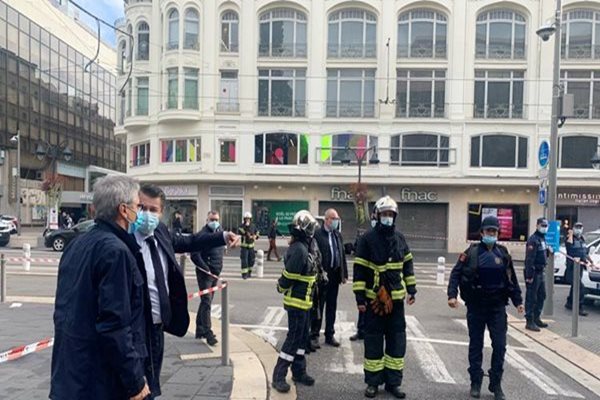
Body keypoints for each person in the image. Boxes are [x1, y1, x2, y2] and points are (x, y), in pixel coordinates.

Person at [135, 184, 240, 398]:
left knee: (152, 384)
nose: (146, 214)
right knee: (134, 385)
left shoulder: (160, 231)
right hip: (135, 328)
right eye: (141, 207)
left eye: (153, 210)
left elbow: (189, 241)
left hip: (157, 326)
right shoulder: (124, 239)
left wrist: (222, 236)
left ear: (161, 213)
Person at [50, 175, 150, 400]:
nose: (141, 213)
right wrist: (135, 381)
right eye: (138, 206)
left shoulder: (77, 244)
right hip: (100, 380)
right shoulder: (115, 252)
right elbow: (115, 324)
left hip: (71, 373)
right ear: (124, 210)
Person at [447, 216, 524, 400]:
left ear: (498, 234)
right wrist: (452, 295)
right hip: (476, 306)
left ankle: (495, 383)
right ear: (481, 233)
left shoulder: (503, 254)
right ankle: (475, 382)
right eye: (488, 231)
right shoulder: (471, 252)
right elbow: (456, 273)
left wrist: (518, 301)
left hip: (497, 307)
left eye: (494, 232)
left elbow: (511, 279)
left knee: (500, 345)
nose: (491, 234)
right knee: (476, 345)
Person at [353, 196, 416, 399]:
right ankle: (372, 383)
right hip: (374, 301)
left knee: (397, 342)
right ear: (377, 216)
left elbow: (407, 265)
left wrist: (412, 289)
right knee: (373, 342)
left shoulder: (400, 238)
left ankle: (393, 383)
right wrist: (360, 299)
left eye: (391, 214)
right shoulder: (367, 239)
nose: (388, 217)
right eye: (384, 214)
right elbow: (360, 270)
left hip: (396, 302)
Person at [272, 210, 319, 393]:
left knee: (301, 340)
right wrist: (281, 286)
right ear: (305, 229)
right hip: (297, 304)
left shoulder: (304, 246)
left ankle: (299, 372)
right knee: (293, 340)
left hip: (305, 303)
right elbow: (289, 277)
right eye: (311, 227)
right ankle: (279, 376)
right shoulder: (299, 249)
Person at [310, 208, 348, 349]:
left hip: (334, 276)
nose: (336, 221)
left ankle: (329, 334)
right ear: (326, 219)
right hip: (321, 277)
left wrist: (344, 274)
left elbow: (341, 255)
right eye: (334, 218)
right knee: (319, 306)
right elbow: (314, 254)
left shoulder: (337, 235)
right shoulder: (318, 235)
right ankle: (314, 335)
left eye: (337, 218)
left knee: (332, 306)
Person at [191, 211, 225, 346]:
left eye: (216, 219)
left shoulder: (220, 232)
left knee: (207, 301)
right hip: (205, 273)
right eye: (212, 219)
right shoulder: (202, 235)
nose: (214, 221)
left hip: (215, 273)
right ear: (207, 220)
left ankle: (200, 328)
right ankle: (208, 332)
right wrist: (206, 268)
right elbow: (194, 254)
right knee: (206, 301)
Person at [350, 209, 378, 342]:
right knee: (363, 308)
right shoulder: (367, 237)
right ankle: (361, 330)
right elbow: (359, 264)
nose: (373, 220)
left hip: (379, 283)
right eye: (372, 217)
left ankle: (371, 332)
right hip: (367, 280)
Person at [524, 217, 551, 332]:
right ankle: (529, 321)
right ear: (537, 225)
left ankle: (536, 318)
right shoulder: (533, 240)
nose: (544, 228)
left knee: (541, 296)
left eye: (546, 226)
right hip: (534, 272)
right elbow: (529, 260)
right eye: (542, 225)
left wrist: (549, 251)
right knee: (532, 297)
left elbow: (544, 255)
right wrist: (529, 276)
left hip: (541, 271)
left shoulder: (543, 239)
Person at [565, 222, 591, 316]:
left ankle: (569, 302)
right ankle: (579, 307)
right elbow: (569, 246)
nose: (579, 229)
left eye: (580, 227)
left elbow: (585, 252)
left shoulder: (582, 239)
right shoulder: (570, 238)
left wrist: (591, 262)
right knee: (580, 288)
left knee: (575, 286)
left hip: (580, 267)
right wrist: (571, 234)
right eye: (577, 227)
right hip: (572, 267)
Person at [239, 211, 259, 279]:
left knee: (252, 260)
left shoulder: (253, 225)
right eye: (246, 218)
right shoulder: (241, 226)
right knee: (244, 260)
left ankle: (249, 272)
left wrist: (255, 236)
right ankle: (244, 274)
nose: (247, 220)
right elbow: (243, 232)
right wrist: (246, 227)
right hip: (244, 247)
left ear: (251, 219)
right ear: (244, 219)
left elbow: (257, 232)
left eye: (248, 218)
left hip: (251, 246)